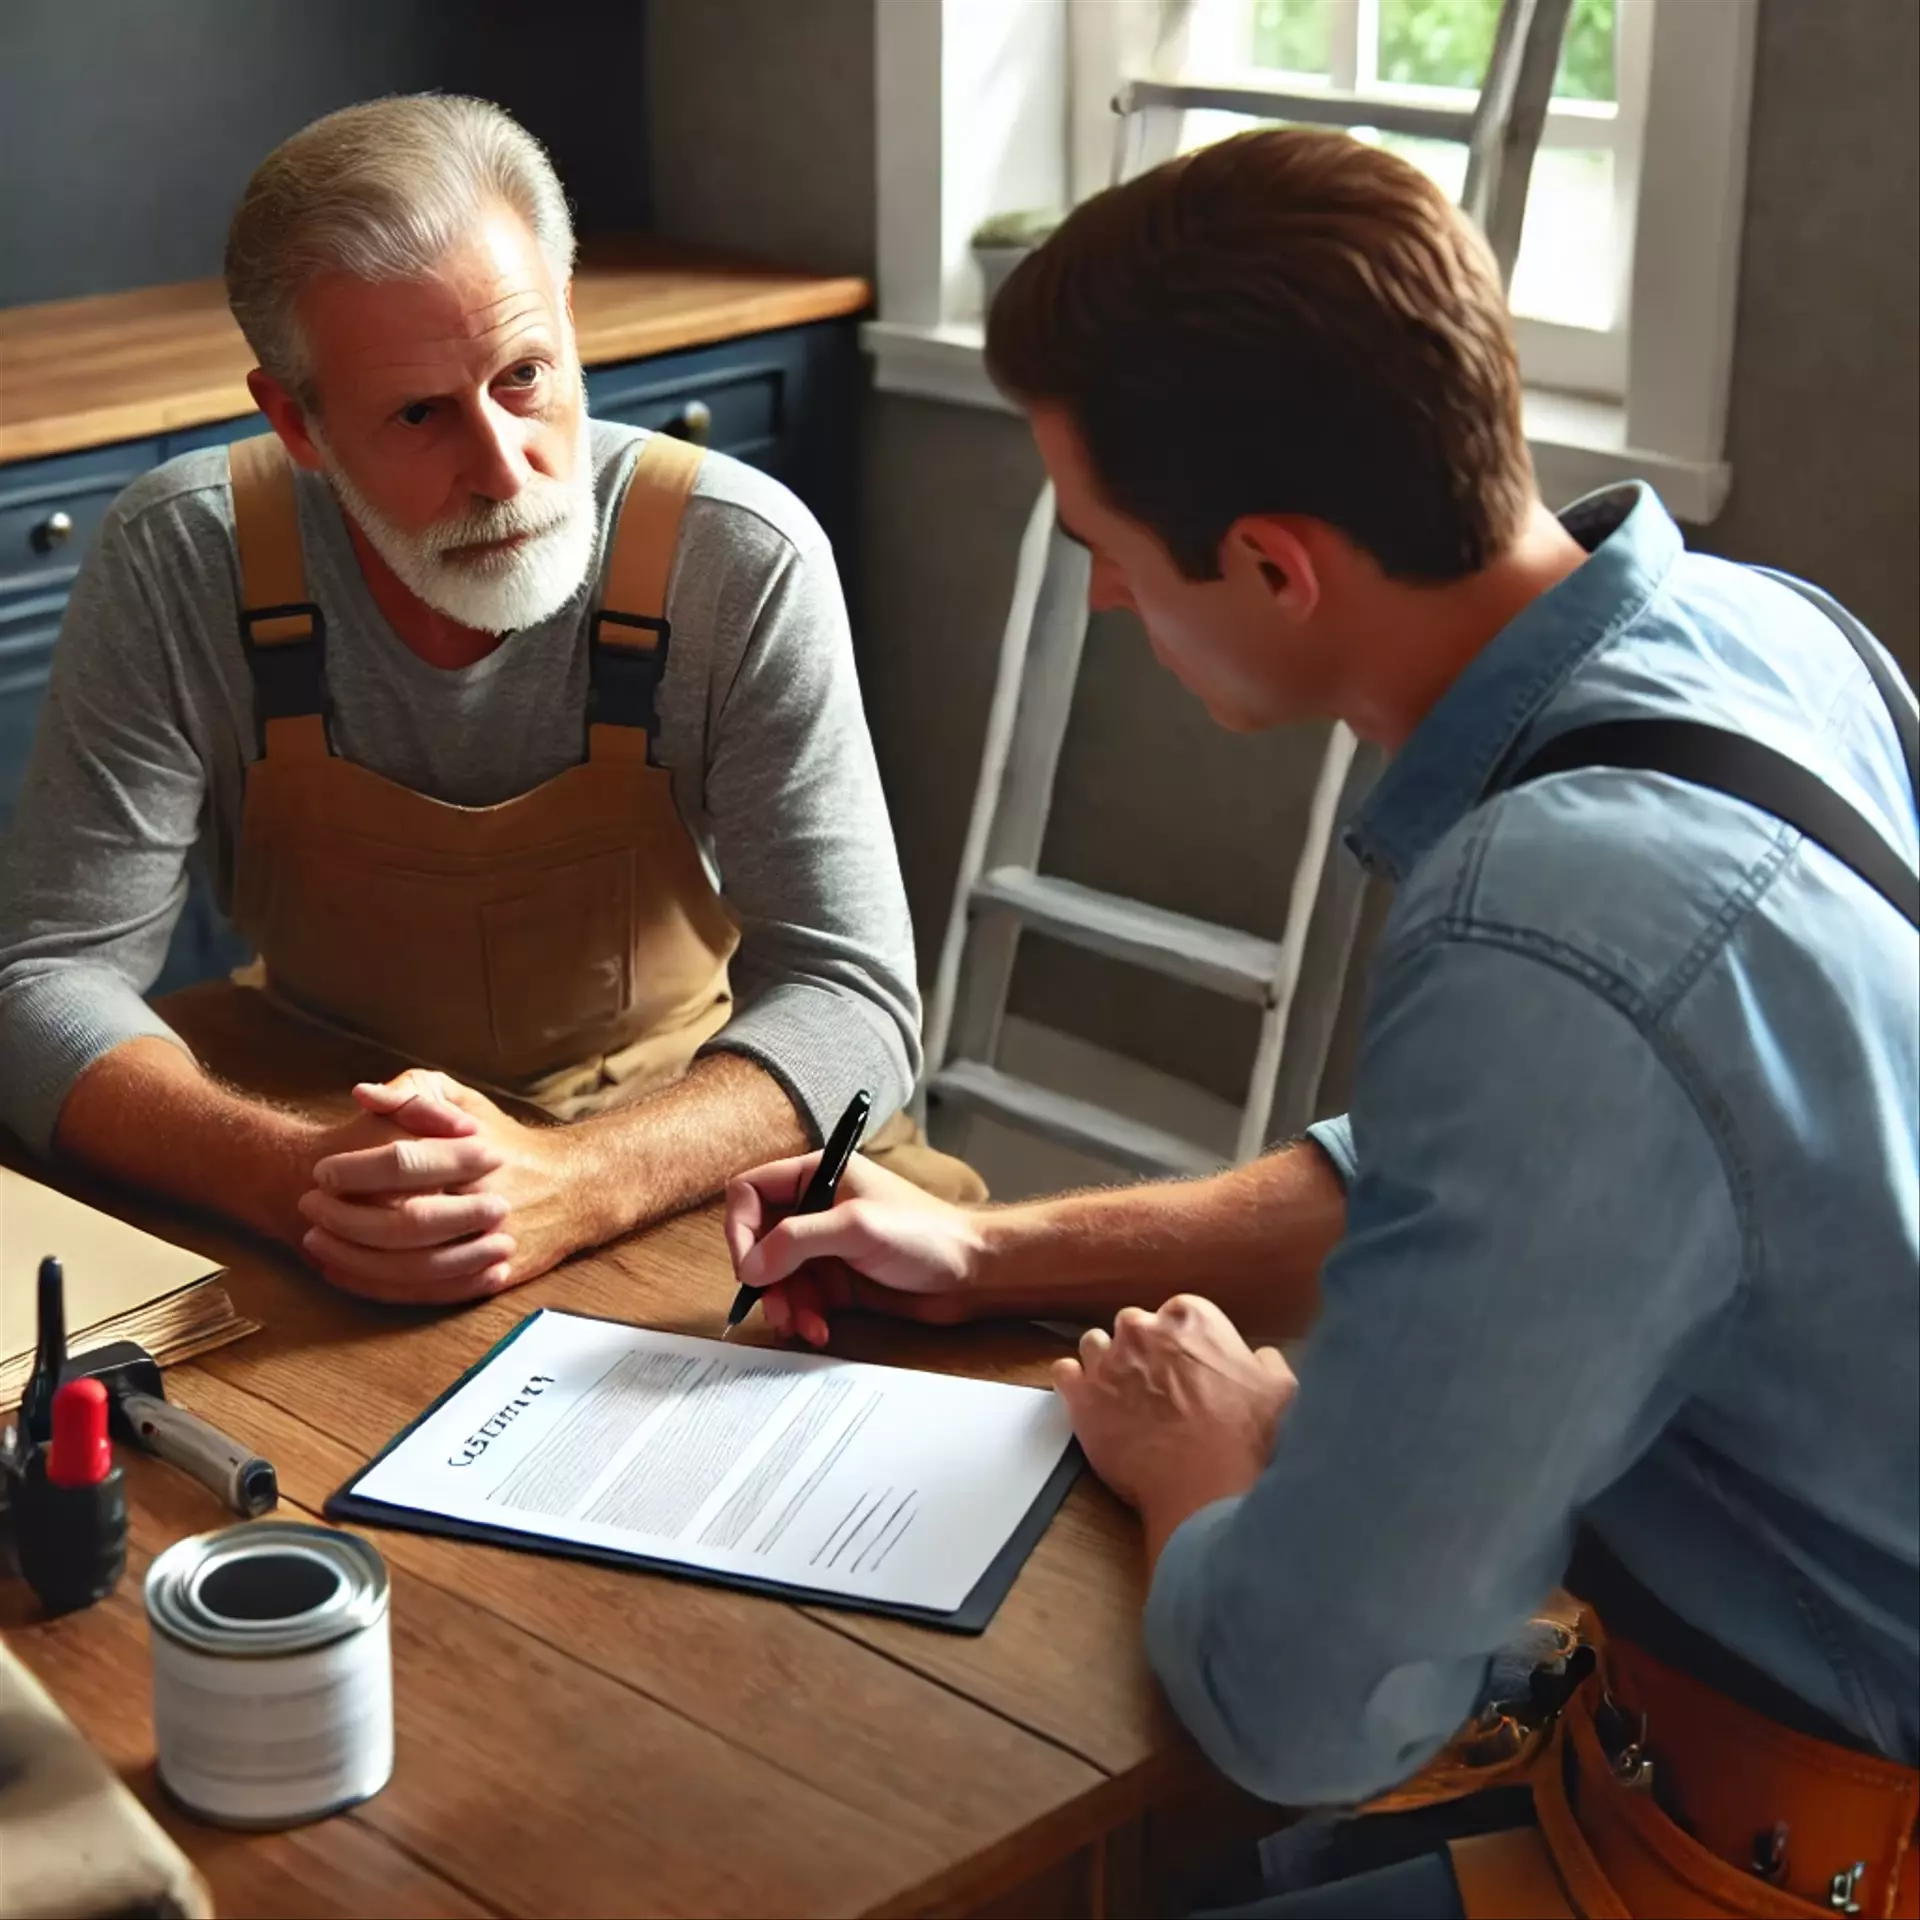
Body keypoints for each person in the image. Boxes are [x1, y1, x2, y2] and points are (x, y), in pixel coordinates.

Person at [723, 130, 1919, 1918]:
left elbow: (1309, 1703)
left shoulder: (1549, 928)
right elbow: (1520, 1172)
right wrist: (987, 1256)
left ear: (1275, 567)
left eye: (1109, 552)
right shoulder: (1760, 634)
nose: (1106, 601)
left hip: (1796, 1837)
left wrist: (1199, 1466)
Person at [0, 95, 977, 1308]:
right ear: (295, 422)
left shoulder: (736, 556)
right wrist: (287, 1175)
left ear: (569, 326)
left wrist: (575, 1180)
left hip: (678, 1144)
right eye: (419, 414)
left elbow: (855, 1005)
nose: (503, 470)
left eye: (525, 376)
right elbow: (42, 981)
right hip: (330, 1120)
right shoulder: (183, 558)